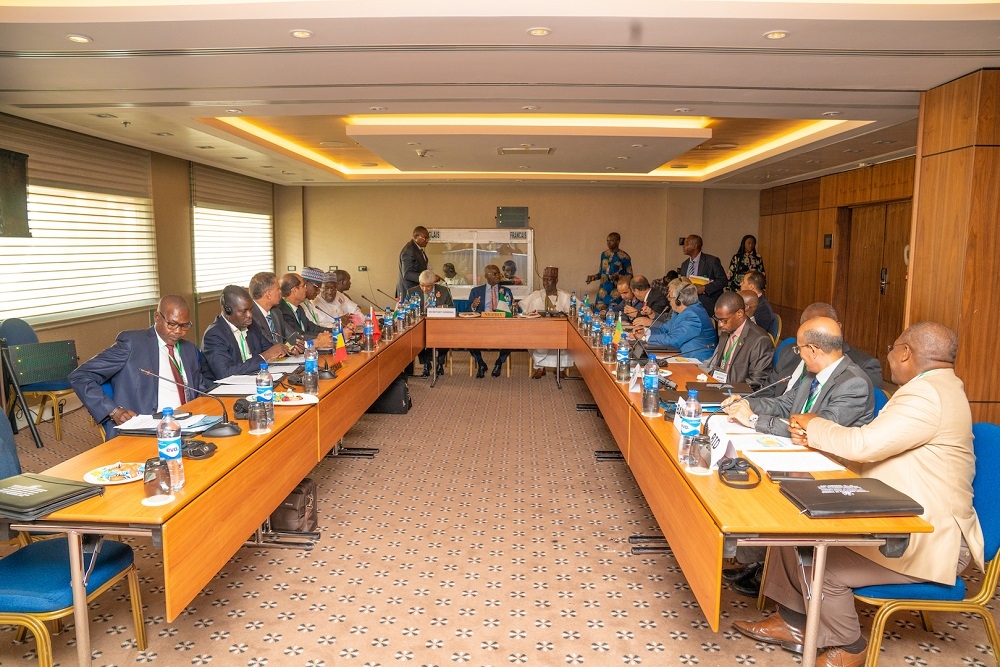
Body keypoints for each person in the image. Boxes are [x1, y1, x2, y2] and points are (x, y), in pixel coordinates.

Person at [734, 322, 984, 667]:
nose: (890, 357)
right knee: (791, 531)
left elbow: (864, 444)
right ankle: (793, 622)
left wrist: (812, 424)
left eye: (894, 349)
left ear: (907, 353)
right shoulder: (938, 387)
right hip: (897, 513)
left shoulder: (927, 395)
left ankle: (849, 647)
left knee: (820, 562)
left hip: (926, 536)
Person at [721, 316, 875, 598]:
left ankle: (777, 577)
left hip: (829, 470)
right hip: (798, 455)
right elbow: (784, 404)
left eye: (800, 349)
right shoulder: (811, 373)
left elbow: (813, 429)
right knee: (742, 471)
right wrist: (745, 404)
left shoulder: (853, 384)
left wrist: (754, 419)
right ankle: (759, 561)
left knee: (760, 484)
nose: (798, 354)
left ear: (814, 349)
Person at [69, 295, 208, 440]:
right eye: (172, 324)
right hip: (147, 429)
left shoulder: (189, 350)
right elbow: (80, 376)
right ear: (157, 317)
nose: (178, 331)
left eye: (184, 326)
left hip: (188, 425)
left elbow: (200, 390)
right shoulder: (132, 344)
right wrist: (113, 411)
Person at [766, 302, 882, 397]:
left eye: (818, 333)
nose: (814, 339)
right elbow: (768, 391)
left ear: (838, 327)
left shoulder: (865, 365)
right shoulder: (789, 351)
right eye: (809, 332)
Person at [201, 285, 287, 382]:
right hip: (228, 390)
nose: (249, 315)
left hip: (254, 381)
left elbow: (268, 348)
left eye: (250, 309)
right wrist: (265, 356)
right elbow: (225, 373)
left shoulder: (251, 324)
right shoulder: (214, 335)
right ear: (227, 310)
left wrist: (284, 349)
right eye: (243, 311)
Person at [634, 279, 717, 361]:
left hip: (697, 361)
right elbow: (665, 328)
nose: (669, 301)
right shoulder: (680, 311)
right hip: (680, 355)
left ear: (678, 301)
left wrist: (645, 338)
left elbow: (673, 340)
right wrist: (646, 331)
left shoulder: (693, 316)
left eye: (671, 297)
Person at [704, 292, 773, 387]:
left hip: (737, 394)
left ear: (739, 313)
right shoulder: (726, 331)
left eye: (724, 320)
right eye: (718, 319)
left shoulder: (760, 340)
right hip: (718, 387)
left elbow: (757, 383)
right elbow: (719, 366)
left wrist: (730, 392)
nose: (720, 325)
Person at [519, 267, 573, 379]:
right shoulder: (536, 295)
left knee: (566, 341)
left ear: (556, 280)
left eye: (549, 279)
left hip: (561, 331)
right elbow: (524, 310)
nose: (546, 282)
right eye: (544, 279)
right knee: (540, 341)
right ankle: (540, 367)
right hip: (540, 331)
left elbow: (576, 311)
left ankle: (560, 368)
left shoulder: (565, 296)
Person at [467, 264, 514, 378]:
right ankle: (481, 363)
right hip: (481, 325)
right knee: (468, 338)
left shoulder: (506, 291)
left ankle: (499, 362)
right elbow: (468, 311)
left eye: (498, 273)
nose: (498, 276)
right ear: (486, 275)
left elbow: (512, 312)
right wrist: (473, 306)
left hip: (501, 325)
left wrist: (513, 307)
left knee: (512, 338)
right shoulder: (476, 291)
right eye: (495, 273)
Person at [407, 269, 454, 376]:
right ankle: (426, 364)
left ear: (434, 283)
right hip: (420, 326)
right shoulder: (412, 292)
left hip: (440, 326)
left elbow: (452, 308)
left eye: (428, 286)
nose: (424, 289)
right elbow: (408, 311)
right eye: (422, 285)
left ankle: (440, 363)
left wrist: (441, 307)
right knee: (417, 339)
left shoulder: (444, 291)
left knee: (446, 337)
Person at [249, 271, 303, 353]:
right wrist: (288, 349)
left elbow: (293, 336)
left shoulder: (276, 312)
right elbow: (267, 345)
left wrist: (297, 345)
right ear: (269, 294)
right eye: (278, 289)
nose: (280, 292)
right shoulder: (251, 316)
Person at [277, 272, 334, 348]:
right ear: (294, 291)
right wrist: (320, 339)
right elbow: (296, 336)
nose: (306, 290)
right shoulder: (281, 311)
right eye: (303, 286)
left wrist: (335, 332)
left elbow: (313, 328)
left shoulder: (299, 308)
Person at [679, 234, 727, 314]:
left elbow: (723, 280)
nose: (683, 246)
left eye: (686, 243)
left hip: (707, 306)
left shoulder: (711, 261)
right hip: (688, 307)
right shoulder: (684, 264)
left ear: (695, 246)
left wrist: (705, 288)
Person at [586, 232, 632, 313]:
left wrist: (618, 277)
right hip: (602, 292)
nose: (608, 243)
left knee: (614, 314)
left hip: (616, 292)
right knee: (598, 315)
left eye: (612, 240)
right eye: (607, 240)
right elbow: (602, 272)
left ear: (618, 241)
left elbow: (630, 276)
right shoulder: (604, 255)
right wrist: (593, 277)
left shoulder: (624, 257)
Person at [398, 226, 436, 297]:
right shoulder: (409, 250)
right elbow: (407, 274)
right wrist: (426, 279)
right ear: (415, 237)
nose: (427, 241)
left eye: (428, 238)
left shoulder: (418, 249)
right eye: (424, 238)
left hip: (416, 290)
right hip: (409, 291)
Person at [740, 270, 774, 338]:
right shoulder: (754, 302)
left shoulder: (763, 309)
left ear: (751, 287)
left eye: (743, 281)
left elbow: (755, 335)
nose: (740, 284)